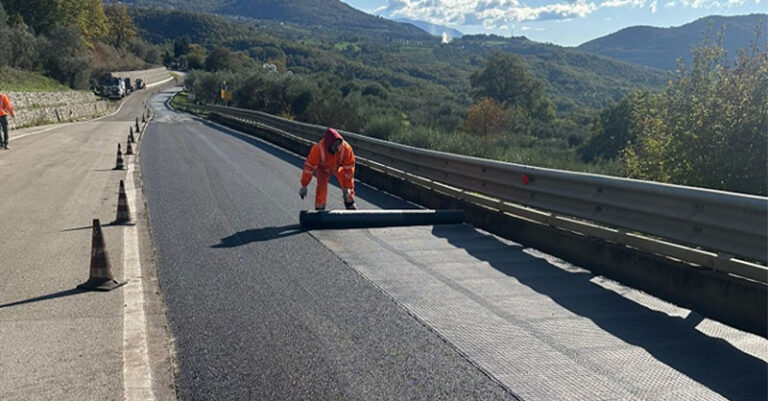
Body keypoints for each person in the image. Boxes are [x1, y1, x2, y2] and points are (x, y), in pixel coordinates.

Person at [300, 127, 357, 210]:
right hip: (323, 169)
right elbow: (309, 168)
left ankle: (350, 204)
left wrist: (347, 187)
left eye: (338, 145)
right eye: (334, 146)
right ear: (328, 144)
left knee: (347, 189)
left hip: (339, 167)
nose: (337, 148)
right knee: (321, 187)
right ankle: (320, 210)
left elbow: (349, 170)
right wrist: (304, 185)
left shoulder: (346, 149)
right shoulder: (318, 149)